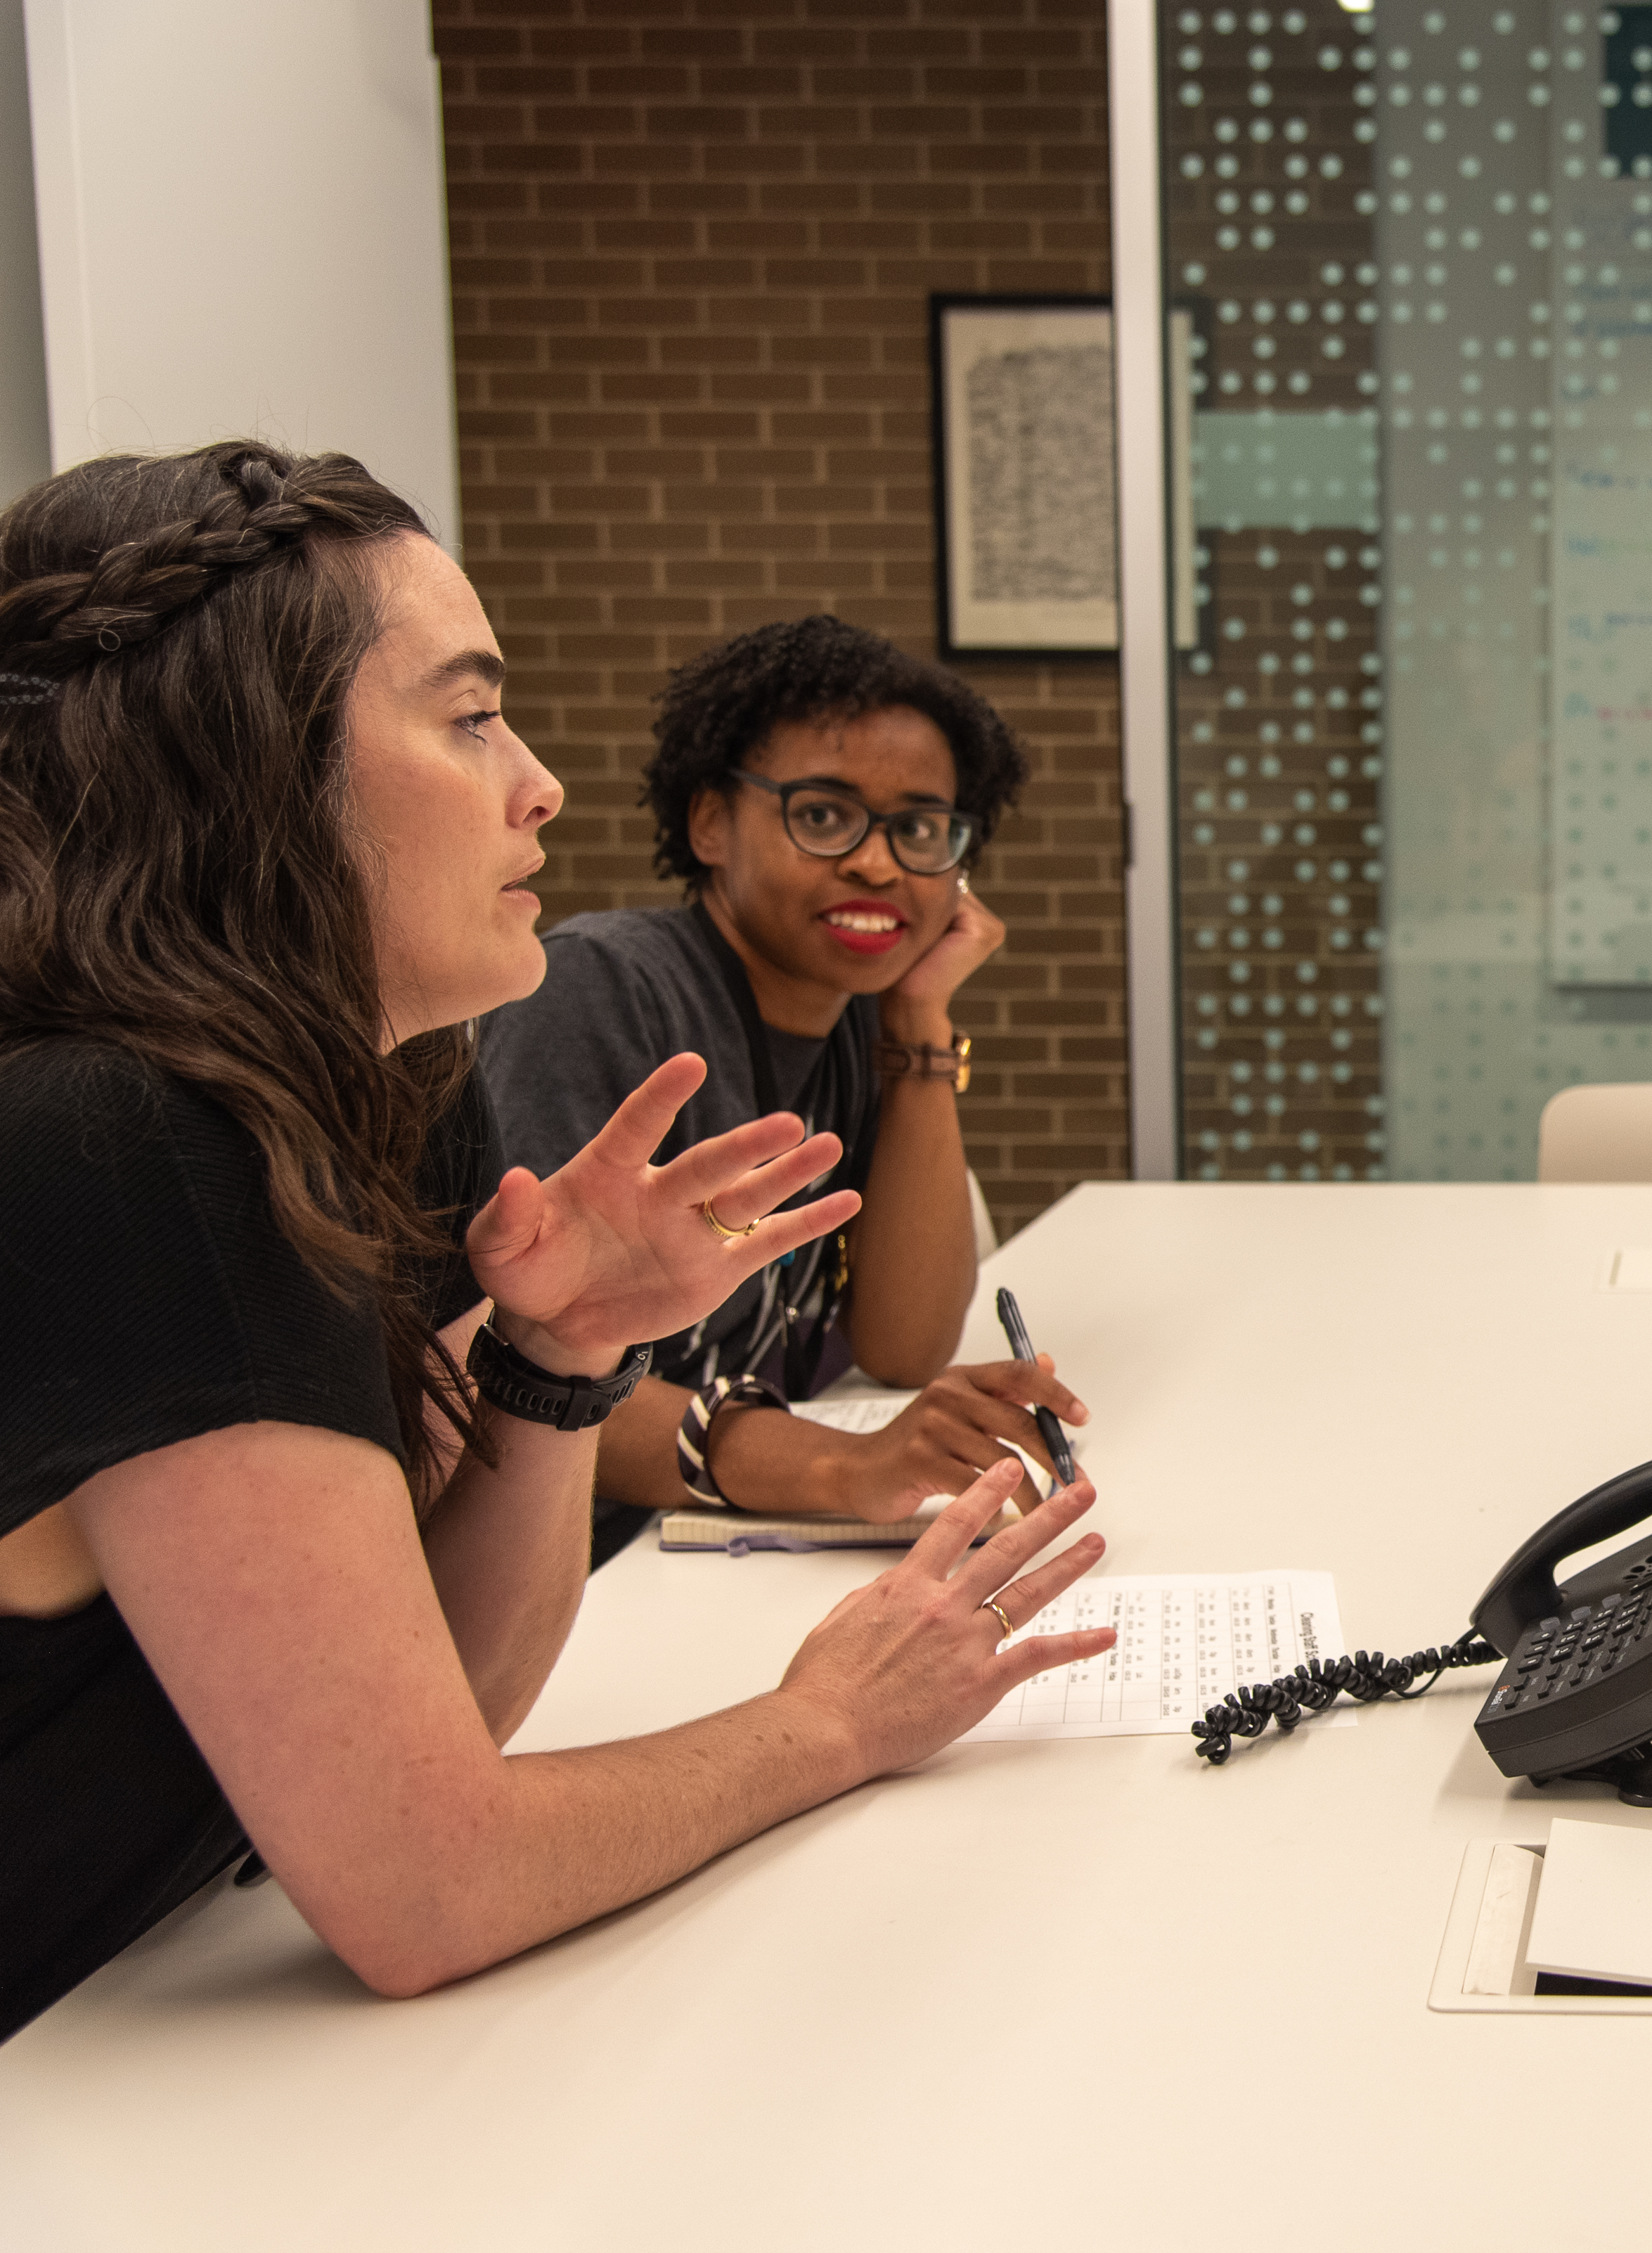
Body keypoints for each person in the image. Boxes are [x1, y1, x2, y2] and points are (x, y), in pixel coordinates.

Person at [0, 442, 1115, 2041]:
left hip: (155, 1998)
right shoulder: (124, 1139)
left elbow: (456, 1699)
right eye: (468, 717)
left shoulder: (400, 1079)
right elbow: (425, 1889)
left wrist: (561, 1355)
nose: (541, 783)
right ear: (247, 764)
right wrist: (830, 1723)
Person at [474, 618, 1084, 1562]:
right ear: (711, 821)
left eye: (920, 830)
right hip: (574, 1570)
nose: (879, 863)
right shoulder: (600, 990)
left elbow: (904, 1345)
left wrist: (919, 1016)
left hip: (709, 1546)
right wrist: (843, 1469)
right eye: (824, 814)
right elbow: (512, 1373)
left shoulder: (854, 1017)